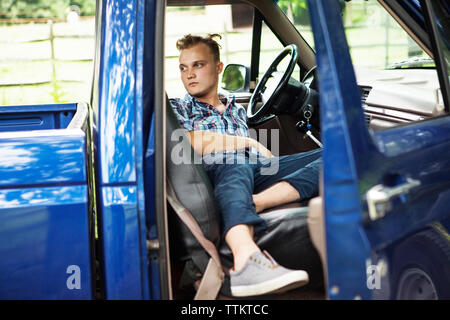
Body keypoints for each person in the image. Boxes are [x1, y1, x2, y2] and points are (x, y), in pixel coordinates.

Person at [169, 33, 322, 297]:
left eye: (198, 65)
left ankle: (258, 202)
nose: (189, 74)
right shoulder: (179, 108)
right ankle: (246, 260)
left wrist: (258, 155)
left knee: (337, 156)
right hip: (216, 173)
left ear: (218, 68)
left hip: (253, 173)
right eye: (183, 67)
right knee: (235, 160)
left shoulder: (235, 107)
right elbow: (187, 141)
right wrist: (247, 143)